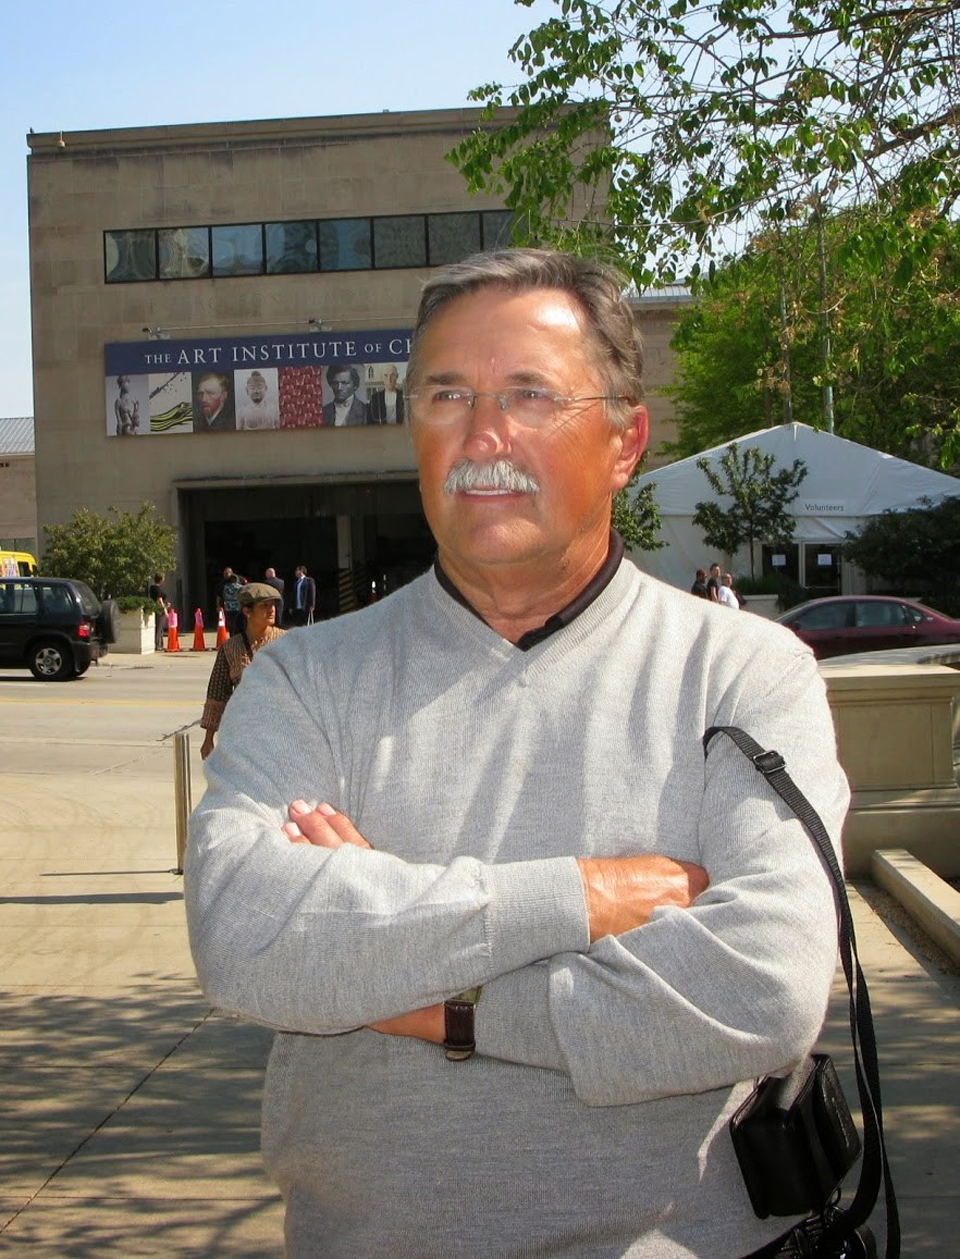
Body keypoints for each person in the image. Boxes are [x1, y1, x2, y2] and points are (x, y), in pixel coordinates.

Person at [187, 249, 848, 1257]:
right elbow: (245, 934)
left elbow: (765, 986)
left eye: (529, 394)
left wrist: (437, 1002)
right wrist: (579, 898)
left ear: (626, 440)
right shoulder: (302, 679)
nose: (481, 433)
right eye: (446, 393)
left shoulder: (744, 674)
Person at [199, 583, 286, 760]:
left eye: (273, 605)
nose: (272, 610)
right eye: (264, 606)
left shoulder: (288, 643)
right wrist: (208, 738)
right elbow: (217, 695)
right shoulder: (230, 649)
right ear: (247, 612)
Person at [216, 567, 246, 635]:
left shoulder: (225, 587)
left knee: (231, 625)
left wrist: (218, 606)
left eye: (227, 574)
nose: (225, 576)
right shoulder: (240, 587)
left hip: (229, 608)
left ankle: (232, 636)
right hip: (239, 607)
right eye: (224, 574)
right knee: (240, 624)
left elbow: (220, 596)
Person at [147, 572, 168, 651]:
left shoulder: (152, 588)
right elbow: (159, 599)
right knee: (159, 628)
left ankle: (160, 644)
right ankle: (158, 645)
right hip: (159, 610)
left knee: (160, 628)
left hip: (157, 609)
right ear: (161, 580)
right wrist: (164, 609)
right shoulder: (157, 588)